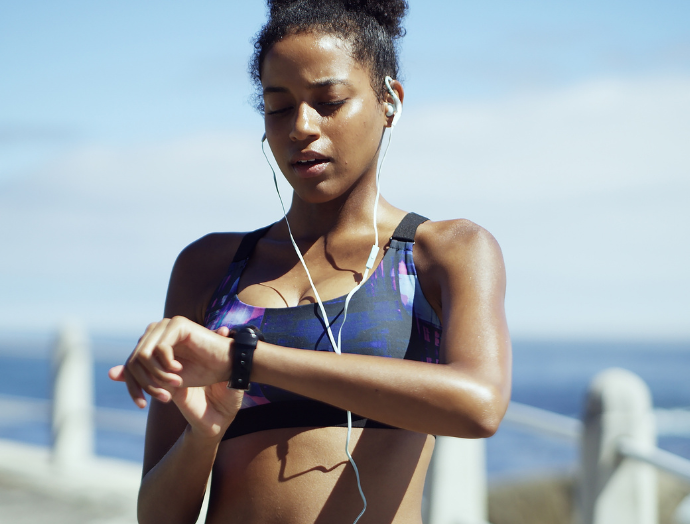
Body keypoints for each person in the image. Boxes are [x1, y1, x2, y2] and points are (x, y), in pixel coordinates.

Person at [108, 1, 512, 522]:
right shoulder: (209, 266)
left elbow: (479, 403)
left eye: (329, 101)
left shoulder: (444, 252)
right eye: (279, 107)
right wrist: (205, 432)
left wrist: (243, 362)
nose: (301, 126)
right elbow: (159, 517)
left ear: (390, 102)